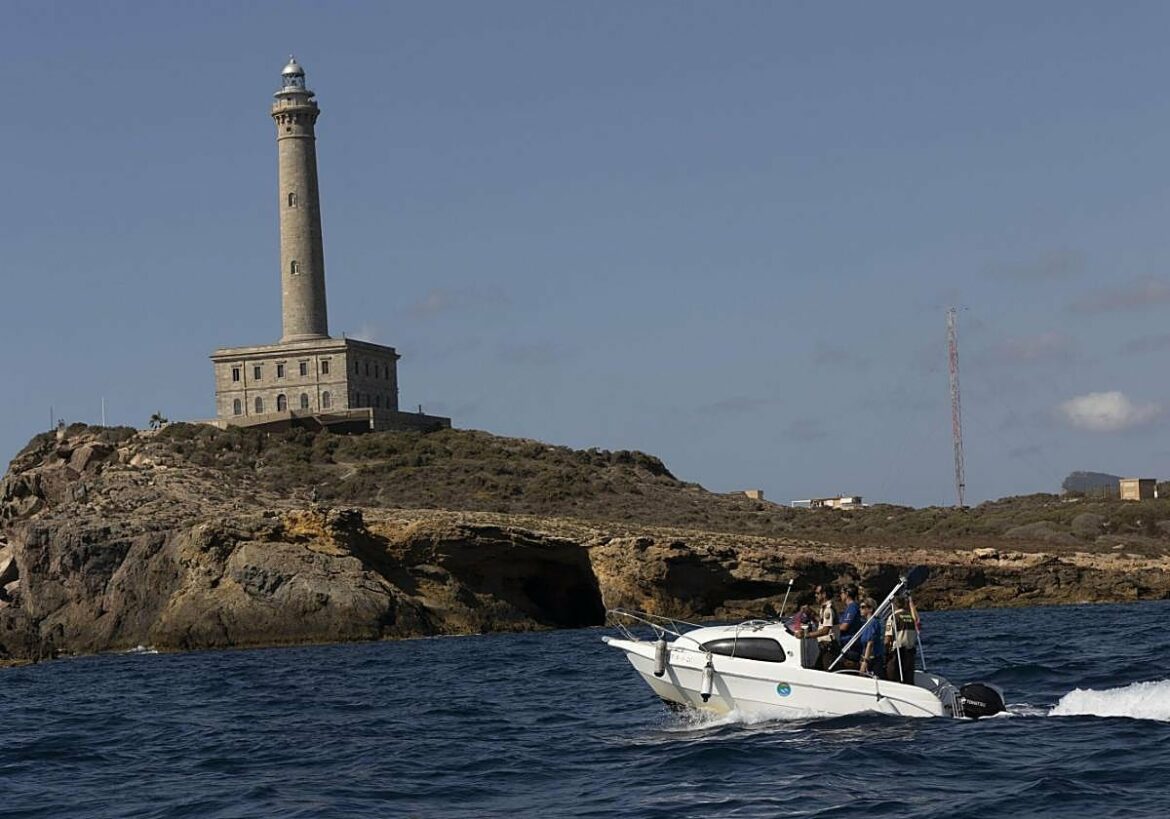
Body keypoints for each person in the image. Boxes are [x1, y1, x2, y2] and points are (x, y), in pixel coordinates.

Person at [885, 594, 919, 683]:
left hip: (898, 653)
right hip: (910, 652)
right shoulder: (910, 617)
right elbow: (917, 621)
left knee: (893, 676)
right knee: (909, 678)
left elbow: (888, 639)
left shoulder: (893, 617)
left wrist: (886, 652)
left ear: (894, 605)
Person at [805, 584, 838, 670]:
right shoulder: (823, 608)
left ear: (824, 594)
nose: (816, 596)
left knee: (827, 673)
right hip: (824, 647)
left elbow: (825, 630)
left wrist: (808, 635)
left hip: (829, 647)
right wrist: (811, 614)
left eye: (817, 593)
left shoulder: (828, 610)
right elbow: (821, 623)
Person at [855, 597, 885, 678]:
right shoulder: (866, 624)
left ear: (870, 609)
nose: (860, 609)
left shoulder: (873, 623)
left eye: (863, 607)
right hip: (867, 657)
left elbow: (870, 643)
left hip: (873, 660)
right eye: (860, 607)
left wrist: (865, 662)